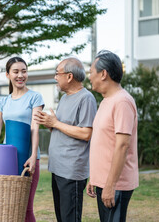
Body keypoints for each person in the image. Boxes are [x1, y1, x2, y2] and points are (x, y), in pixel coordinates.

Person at [34, 57, 97, 222]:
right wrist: (49, 123)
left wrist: (56, 123)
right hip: (58, 168)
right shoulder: (64, 98)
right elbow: (62, 127)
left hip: (72, 171)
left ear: (69, 76)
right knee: (61, 217)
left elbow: (86, 133)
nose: (55, 77)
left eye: (57, 74)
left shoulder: (86, 98)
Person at [0, 56, 44, 222]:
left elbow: (34, 127)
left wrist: (33, 156)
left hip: (28, 159)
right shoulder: (3, 101)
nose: (20, 75)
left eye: (24, 71)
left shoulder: (35, 97)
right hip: (6, 160)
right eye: (16, 71)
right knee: (8, 207)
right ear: (7, 75)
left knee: (25, 208)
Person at [86, 50, 139, 222]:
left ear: (103, 74)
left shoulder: (122, 102)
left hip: (116, 184)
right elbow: (103, 142)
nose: (89, 77)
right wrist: (94, 178)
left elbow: (122, 145)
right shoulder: (106, 100)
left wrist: (110, 185)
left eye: (91, 72)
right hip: (104, 181)